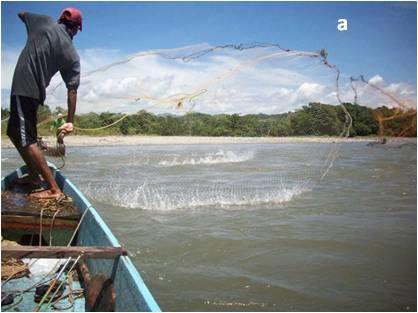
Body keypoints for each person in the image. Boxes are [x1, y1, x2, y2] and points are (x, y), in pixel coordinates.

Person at [7, 8, 82, 200]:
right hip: (33, 92)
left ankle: (53, 189)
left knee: (27, 140)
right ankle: (33, 176)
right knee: (14, 133)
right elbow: (72, 90)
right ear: (76, 29)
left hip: (23, 87)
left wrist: (29, 21)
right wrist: (69, 121)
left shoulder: (44, 22)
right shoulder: (72, 54)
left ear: (60, 20)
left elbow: (22, 14)